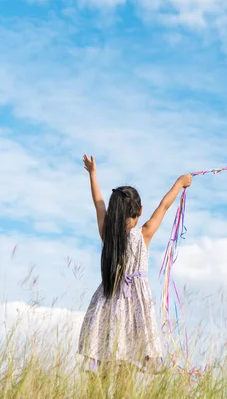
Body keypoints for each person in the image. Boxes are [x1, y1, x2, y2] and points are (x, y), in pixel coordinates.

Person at [77, 154, 192, 376]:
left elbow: (99, 204)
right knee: (127, 364)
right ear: (139, 211)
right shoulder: (145, 233)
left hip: (108, 302)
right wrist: (179, 182)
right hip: (136, 306)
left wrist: (92, 174)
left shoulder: (108, 235)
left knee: (103, 360)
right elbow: (165, 206)